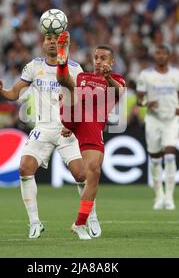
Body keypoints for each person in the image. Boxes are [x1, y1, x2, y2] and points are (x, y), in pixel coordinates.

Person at [0, 33, 102, 239]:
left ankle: (90, 216)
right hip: (44, 128)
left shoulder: (75, 68)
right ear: (43, 42)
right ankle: (35, 223)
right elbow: (14, 94)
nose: (51, 41)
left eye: (55, 38)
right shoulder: (33, 67)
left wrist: (72, 121)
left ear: (64, 43)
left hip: (67, 128)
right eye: (48, 38)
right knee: (24, 168)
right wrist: (0, 90)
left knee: (82, 175)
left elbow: (83, 99)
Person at [56, 31, 126, 239]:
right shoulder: (83, 77)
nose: (98, 61)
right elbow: (71, 90)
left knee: (92, 173)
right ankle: (62, 57)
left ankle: (80, 223)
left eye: (103, 58)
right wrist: (69, 121)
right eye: (96, 57)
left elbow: (119, 93)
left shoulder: (117, 80)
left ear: (112, 61)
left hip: (92, 125)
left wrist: (107, 78)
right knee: (68, 84)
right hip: (74, 114)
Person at [136, 44, 179, 210]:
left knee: (170, 156)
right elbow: (139, 100)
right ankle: (159, 196)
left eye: (163, 53)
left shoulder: (177, 74)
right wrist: (146, 103)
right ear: (154, 56)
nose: (161, 56)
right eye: (158, 53)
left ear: (168, 56)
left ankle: (170, 197)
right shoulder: (146, 75)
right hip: (153, 120)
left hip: (171, 120)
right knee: (156, 159)